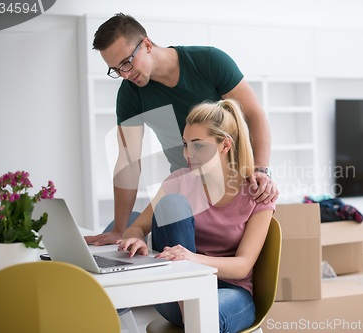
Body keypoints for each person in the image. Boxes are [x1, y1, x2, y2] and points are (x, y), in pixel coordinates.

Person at [85, 13, 278, 246]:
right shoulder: (130, 93)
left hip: (230, 187)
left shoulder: (209, 62)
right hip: (184, 189)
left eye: (126, 63)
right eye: (116, 70)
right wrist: (119, 228)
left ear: (146, 44)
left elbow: (255, 114)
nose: (125, 75)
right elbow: (128, 160)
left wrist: (260, 170)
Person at [117, 99, 275, 332]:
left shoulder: (257, 194)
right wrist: (137, 238)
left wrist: (191, 258)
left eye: (198, 145)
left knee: (208, 315)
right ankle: (191, 311)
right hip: (176, 292)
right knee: (172, 203)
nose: (188, 153)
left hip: (230, 291)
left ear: (225, 145)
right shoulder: (178, 182)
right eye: (186, 144)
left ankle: (195, 315)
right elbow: (136, 228)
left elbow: (242, 266)